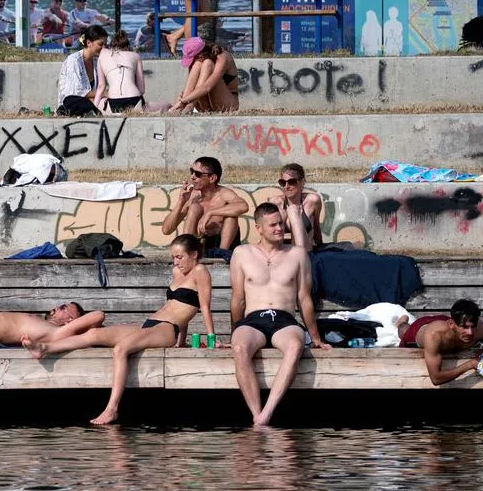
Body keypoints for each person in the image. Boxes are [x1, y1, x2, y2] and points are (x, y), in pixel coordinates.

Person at [22, 234, 213, 425]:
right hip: (150, 324)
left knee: (120, 349)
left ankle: (112, 409)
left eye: (180, 257)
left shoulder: (200, 271)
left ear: (194, 254)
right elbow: (179, 305)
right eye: (173, 257)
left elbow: (202, 306)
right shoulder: (177, 272)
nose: (176, 261)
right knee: (93, 334)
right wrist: (181, 342)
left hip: (167, 329)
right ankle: (44, 348)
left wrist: (211, 339)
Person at [228, 203, 330, 426]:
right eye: (273, 225)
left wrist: (315, 338)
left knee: (295, 346)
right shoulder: (242, 253)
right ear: (259, 228)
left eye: (281, 223)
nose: (279, 228)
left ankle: (267, 413)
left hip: (284, 320)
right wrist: (234, 332)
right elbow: (237, 299)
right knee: (239, 347)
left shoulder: (297, 254)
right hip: (253, 319)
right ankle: (256, 413)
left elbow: (304, 298)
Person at [396, 299, 483, 386]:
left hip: (442, 320)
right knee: (403, 331)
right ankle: (402, 321)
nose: (470, 332)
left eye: (472, 326)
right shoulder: (434, 336)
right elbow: (435, 378)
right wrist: (470, 365)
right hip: (420, 328)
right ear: (451, 324)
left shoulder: (479, 328)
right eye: (464, 327)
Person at [160, 156, 249, 252]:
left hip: (225, 246)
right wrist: (180, 202)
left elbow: (243, 206)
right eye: (192, 172)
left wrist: (210, 212)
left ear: (212, 178)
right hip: (200, 246)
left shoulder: (223, 193)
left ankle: (222, 253)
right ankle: (188, 251)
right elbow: (166, 230)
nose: (192, 177)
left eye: (198, 174)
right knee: (194, 208)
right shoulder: (192, 196)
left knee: (231, 216)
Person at [93, 30, 172, 114]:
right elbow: (141, 90)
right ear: (127, 47)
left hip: (114, 103)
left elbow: (101, 86)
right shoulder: (135, 56)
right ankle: (146, 110)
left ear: (111, 47)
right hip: (134, 101)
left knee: (101, 102)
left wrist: (94, 108)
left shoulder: (102, 58)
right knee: (167, 105)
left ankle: (118, 112)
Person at [171, 37, 239, 114]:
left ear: (201, 57)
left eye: (191, 60)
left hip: (228, 105)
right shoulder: (198, 62)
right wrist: (182, 98)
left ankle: (189, 105)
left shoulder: (223, 57)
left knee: (207, 63)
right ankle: (183, 107)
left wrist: (183, 100)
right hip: (204, 106)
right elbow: (192, 85)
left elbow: (207, 87)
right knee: (197, 65)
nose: (191, 64)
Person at [268, 163, 323, 250]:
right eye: (283, 182)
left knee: (293, 212)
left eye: (291, 182)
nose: (286, 186)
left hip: (306, 252)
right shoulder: (276, 203)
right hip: (282, 253)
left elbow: (316, 227)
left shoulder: (312, 201)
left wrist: (321, 249)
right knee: (282, 213)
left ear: (302, 183)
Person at [56, 24, 107, 117]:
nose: (104, 48)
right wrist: (104, 95)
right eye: (101, 44)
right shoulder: (74, 60)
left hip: (90, 102)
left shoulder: (96, 62)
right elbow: (77, 91)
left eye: (105, 44)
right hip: (71, 105)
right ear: (88, 43)